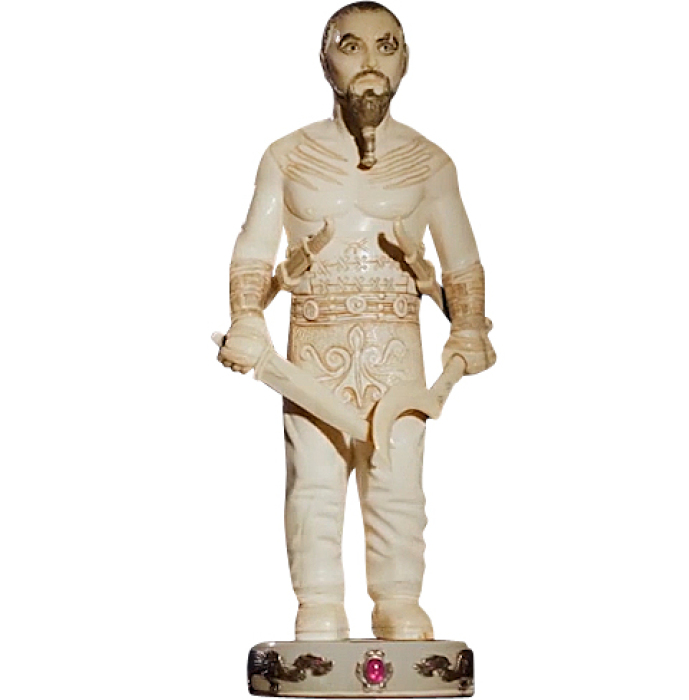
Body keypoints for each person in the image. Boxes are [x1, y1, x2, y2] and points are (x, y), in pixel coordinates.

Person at [217, 1, 495, 641]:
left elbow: (463, 262)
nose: (370, 61)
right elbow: (253, 249)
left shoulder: (430, 164)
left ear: (406, 61)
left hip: (397, 350)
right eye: (351, 45)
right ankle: (318, 606)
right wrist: (247, 316)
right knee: (313, 486)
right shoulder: (288, 157)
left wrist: (468, 324)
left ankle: (398, 601)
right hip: (311, 350)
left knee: (397, 485)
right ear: (325, 60)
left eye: (386, 46)